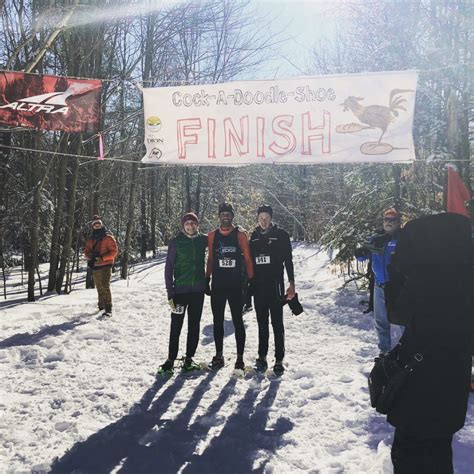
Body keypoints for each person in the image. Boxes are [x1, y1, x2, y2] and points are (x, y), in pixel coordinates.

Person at [385, 212, 473, 473]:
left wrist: (394, 280)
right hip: (452, 388)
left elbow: (397, 312)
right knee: (439, 454)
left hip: (417, 383)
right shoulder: (468, 276)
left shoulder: (421, 278)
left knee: (408, 452)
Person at [206, 203, 254, 371]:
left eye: (228, 214)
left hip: (235, 286)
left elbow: (248, 259)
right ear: (219, 216)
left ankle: (240, 358)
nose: (225, 217)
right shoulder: (212, 235)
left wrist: (250, 282)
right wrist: (206, 279)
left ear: (232, 216)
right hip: (218, 285)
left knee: (238, 322)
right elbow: (211, 259)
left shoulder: (240, 235)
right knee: (217, 322)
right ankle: (219, 355)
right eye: (223, 214)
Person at [158, 212, 208, 375]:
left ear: (197, 225)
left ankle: (188, 359)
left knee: (194, 326)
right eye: (187, 223)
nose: (190, 226)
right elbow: (168, 268)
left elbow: (219, 239)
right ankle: (170, 359)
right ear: (183, 225)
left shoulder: (203, 240)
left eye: (193, 223)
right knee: (176, 326)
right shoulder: (176, 242)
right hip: (179, 292)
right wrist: (170, 292)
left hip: (198, 292)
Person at [249, 205, 295, 376]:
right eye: (261, 217)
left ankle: (279, 359)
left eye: (267, 217)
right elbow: (249, 264)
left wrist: (291, 283)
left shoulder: (281, 235)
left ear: (271, 218)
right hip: (259, 287)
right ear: (257, 218)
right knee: (262, 324)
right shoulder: (253, 236)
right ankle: (262, 357)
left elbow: (288, 261)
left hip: (276, 286)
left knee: (277, 323)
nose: (264, 220)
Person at [355, 208, 404, 355]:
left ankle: (406, 351)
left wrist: (391, 239)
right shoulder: (375, 239)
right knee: (381, 322)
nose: (388, 223)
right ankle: (384, 351)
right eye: (386, 219)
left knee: (403, 319)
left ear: (398, 222)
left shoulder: (403, 238)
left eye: (392, 220)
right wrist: (360, 252)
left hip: (398, 287)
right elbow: (362, 256)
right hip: (379, 286)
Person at [84, 215, 118, 317]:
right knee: (99, 287)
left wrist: (102, 258)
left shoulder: (108, 238)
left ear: (101, 224)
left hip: (106, 265)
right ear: (93, 226)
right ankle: (101, 307)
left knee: (105, 286)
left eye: (98, 224)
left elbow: (114, 252)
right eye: (95, 224)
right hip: (95, 266)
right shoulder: (91, 240)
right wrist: (89, 257)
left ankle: (108, 308)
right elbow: (86, 252)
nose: (97, 226)